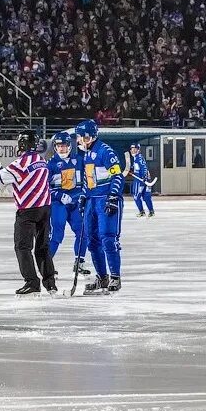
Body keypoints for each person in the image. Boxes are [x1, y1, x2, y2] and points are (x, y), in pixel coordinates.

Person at [0, 130, 56, 295]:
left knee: (22, 247)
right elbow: (22, 179)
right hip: (45, 209)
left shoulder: (20, 163)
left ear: (21, 144)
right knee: (42, 247)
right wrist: (3, 169)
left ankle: (32, 282)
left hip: (28, 211)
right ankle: (50, 282)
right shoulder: (41, 160)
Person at [75, 119, 125, 294]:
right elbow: (88, 180)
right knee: (92, 240)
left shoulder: (105, 151)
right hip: (92, 201)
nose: (79, 140)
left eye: (81, 137)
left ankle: (115, 277)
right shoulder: (86, 154)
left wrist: (113, 196)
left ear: (89, 137)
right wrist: (83, 195)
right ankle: (102, 277)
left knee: (108, 238)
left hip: (105, 200)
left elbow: (118, 176)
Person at [46, 131, 89, 277]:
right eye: (58, 146)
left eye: (64, 146)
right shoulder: (50, 165)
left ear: (69, 146)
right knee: (57, 235)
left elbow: (88, 177)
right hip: (59, 204)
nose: (61, 149)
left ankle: (79, 263)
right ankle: (46, 265)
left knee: (83, 232)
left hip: (75, 202)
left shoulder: (79, 160)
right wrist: (58, 195)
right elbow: (43, 188)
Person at [128, 143, 155, 218]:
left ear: (138, 150)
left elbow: (143, 168)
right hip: (146, 180)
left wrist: (144, 177)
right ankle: (151, 211)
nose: (132, 151)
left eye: (134, 149)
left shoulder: (138, 158)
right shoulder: (139, 157)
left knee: (136, 196)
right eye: (131, 149)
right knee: (146, 197)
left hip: (140, 181)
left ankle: (141, 211)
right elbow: (139, 168)